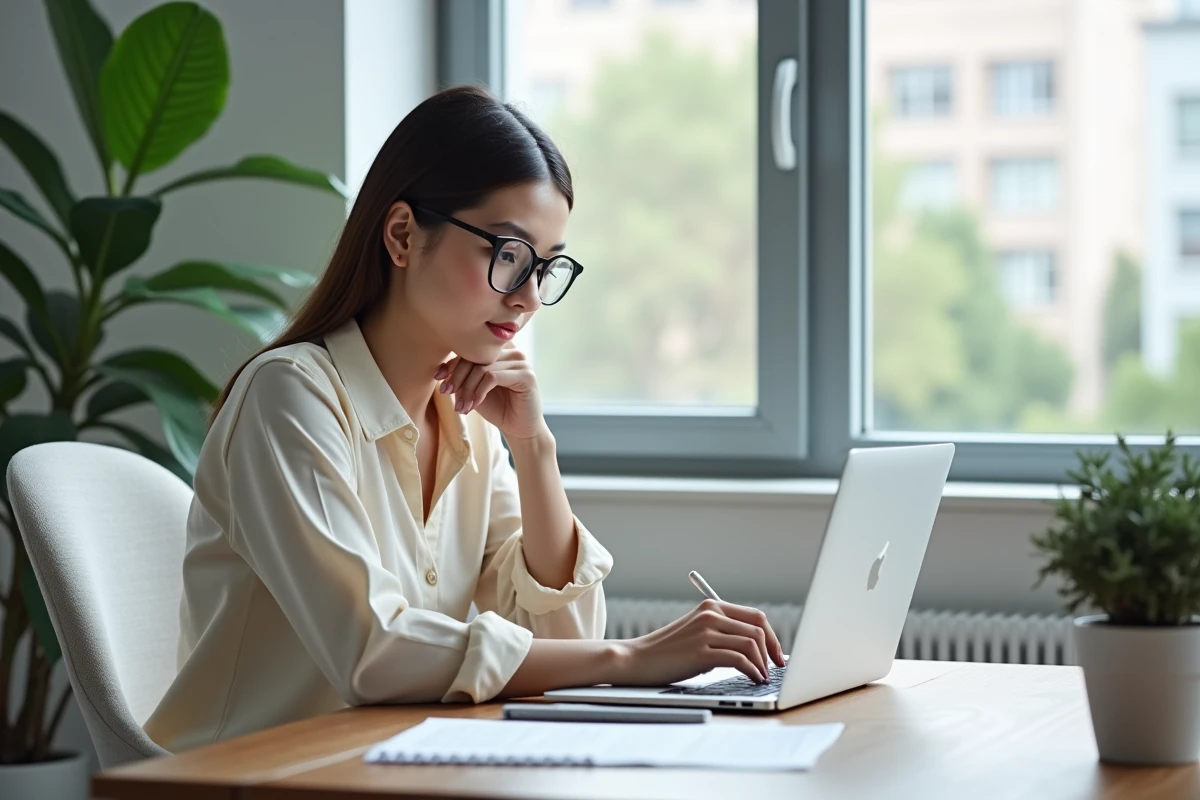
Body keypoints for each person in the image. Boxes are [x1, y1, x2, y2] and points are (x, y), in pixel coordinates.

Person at [144, 86, 785, 753]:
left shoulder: (471, 421)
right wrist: (633, 659)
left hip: (397, 767)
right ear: (401, 235)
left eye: (545, 266)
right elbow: (374, 651)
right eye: (507, 255)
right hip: (252, 778)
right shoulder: (289, 400)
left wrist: (534, 448)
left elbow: (566, 642)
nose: (531, 297)